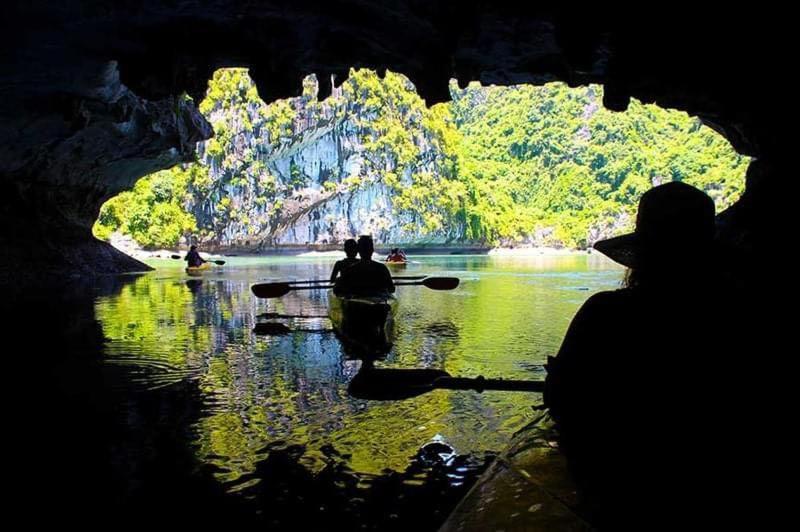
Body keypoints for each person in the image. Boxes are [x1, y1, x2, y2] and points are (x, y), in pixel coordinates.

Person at [543, 182, 746, 527]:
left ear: (643, 254)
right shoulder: (738, 317)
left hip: (620, 495)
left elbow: (560, 399)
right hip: (713, 493)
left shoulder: (605, 313)